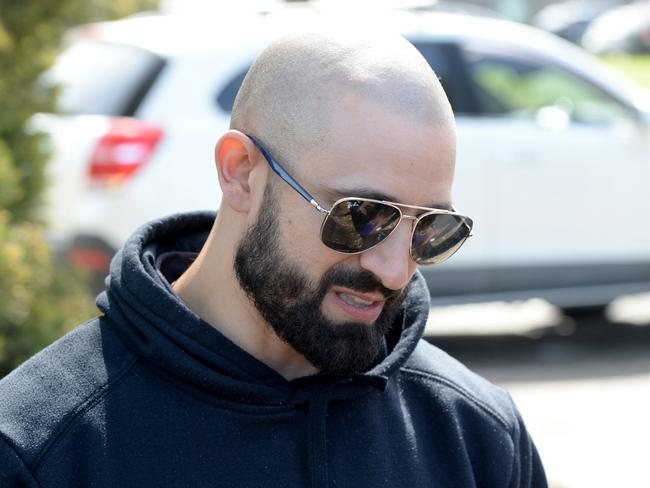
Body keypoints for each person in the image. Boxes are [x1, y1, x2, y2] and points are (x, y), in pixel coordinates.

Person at [0, 28, 547, 487]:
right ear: (240, 171)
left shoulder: (477, 437)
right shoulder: (39, 451)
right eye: (359, 216)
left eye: (431, 228)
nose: (394, 269)